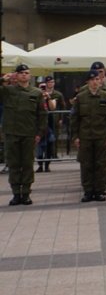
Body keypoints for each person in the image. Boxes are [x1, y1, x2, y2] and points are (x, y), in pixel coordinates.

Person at [2, 64, 45, 206]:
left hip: (29, 133)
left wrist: (40, 133)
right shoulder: (8, 91)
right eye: (21, 73)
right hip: (12, 133)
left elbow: (42, 114)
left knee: (27, 164)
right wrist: (3, 79)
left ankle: (26, 193)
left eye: (26, 73)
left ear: (30, 75)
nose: (24, 75)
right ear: (16, 75)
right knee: (13, 164)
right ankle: (16, 194)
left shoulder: (36, 92)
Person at [71, 68, 106, 203]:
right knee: (86, 164)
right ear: (87, 82)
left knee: (100, 164)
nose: (95, 82)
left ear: (100, 80)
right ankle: (88, 191)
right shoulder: (80, 97)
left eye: (97, 79)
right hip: (85, 136)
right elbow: (75, 118)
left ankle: (99, 191)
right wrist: (75, 136)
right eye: (92, 80)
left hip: (101, 136)